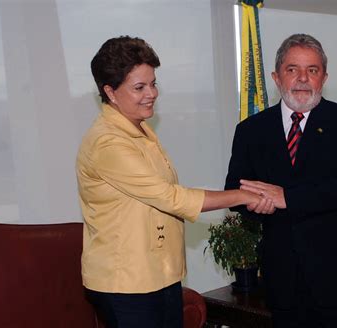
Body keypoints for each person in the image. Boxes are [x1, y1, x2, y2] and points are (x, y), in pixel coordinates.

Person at [76, 36, 276, 328]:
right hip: (126, 284)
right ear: (110, 92)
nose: (152, 93)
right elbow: (173, 198)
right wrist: (243, 195)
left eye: (153, 83)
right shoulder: (108, 143)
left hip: (159, 275)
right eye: (139, 87)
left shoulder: (138, 128)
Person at [225, 33, 337, 327]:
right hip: (284, 280)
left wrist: (287, 197)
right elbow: (236, 190)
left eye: (313, 70)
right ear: (276, 76)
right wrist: (255, 203)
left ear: (324, 77)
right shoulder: (250, 130)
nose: (303, 79)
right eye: (292, 69)